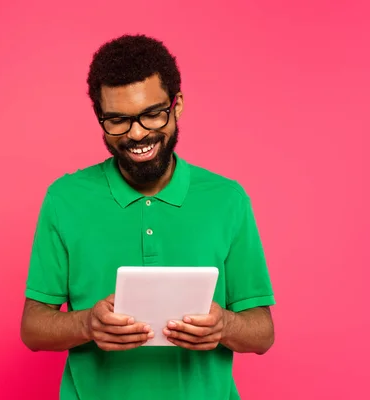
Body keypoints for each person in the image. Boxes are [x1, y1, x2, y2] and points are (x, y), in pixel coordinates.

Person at [20, 34, 275, 400]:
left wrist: (225, 325)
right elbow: (32, 328)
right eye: (118, 120)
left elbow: (262, 333)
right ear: (100, 117)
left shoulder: (227, 199)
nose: (137, 133)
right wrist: (86, 324)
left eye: (152, 113)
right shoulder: (65, 199)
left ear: (177, 104)